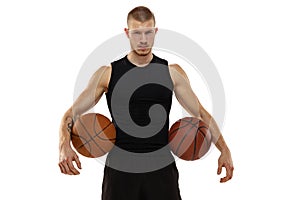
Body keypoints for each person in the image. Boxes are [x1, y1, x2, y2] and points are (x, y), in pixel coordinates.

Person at [58, 6, 234, 200]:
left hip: (161, 166)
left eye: (148, 32)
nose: (143, 40)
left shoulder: (172, 72)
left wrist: (224, 150)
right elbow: (70, 115)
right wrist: (64, 146)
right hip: (120, 168)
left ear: (155, 32)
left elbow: (200, 114)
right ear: (127, 33)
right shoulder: (107, 74)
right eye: (137, 33)